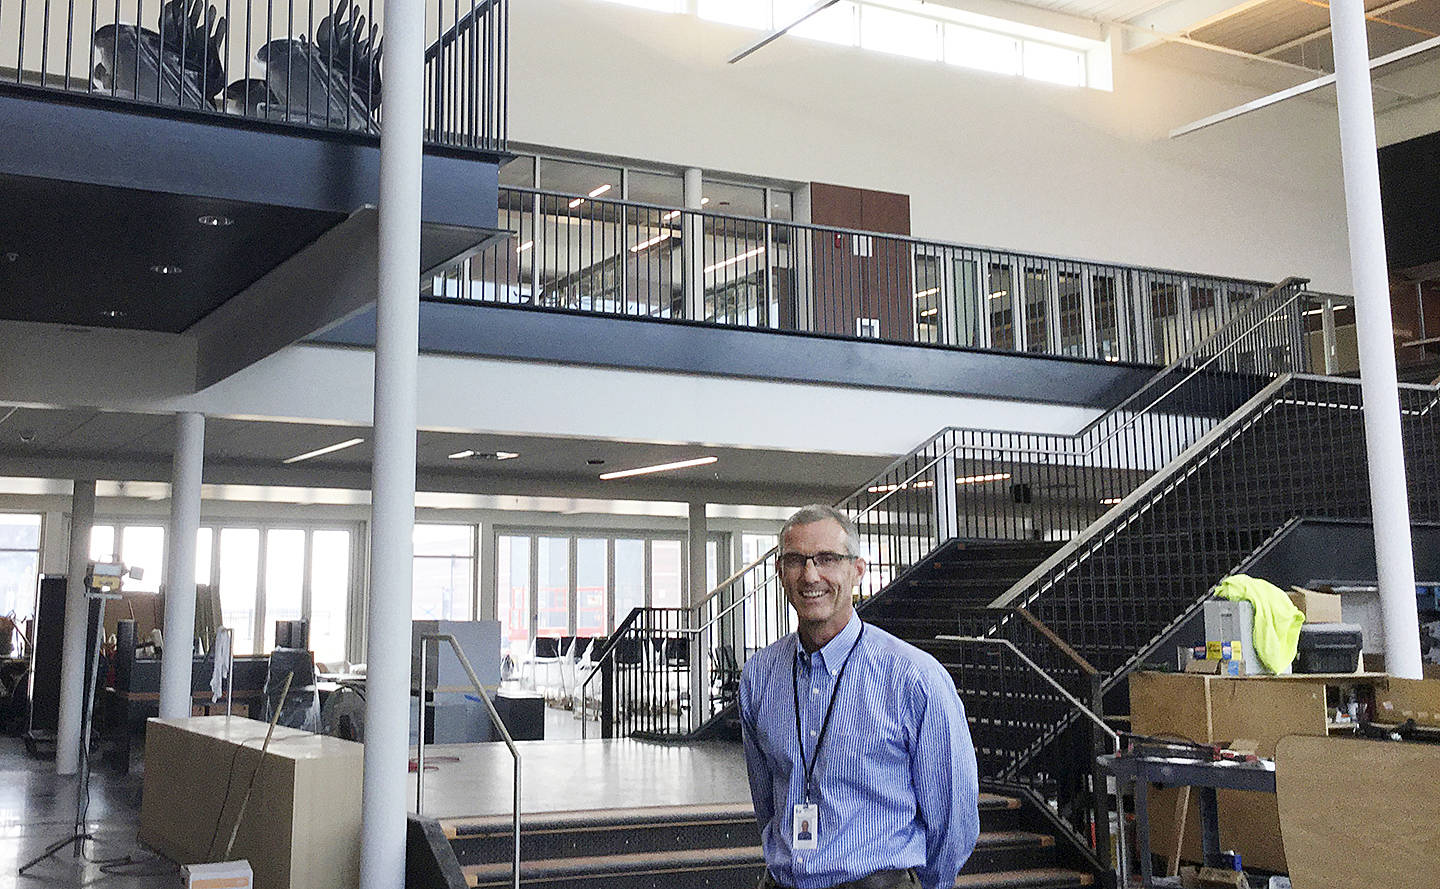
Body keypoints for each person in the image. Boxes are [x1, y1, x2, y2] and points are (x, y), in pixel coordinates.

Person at [739, 504, 979, 889]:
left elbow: (953, 821)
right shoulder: (759, 677)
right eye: (796, 560)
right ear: (780, 573)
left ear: (857, 571)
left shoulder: (914, 678)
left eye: (827, 559)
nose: (810, 575)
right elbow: (766, 805)